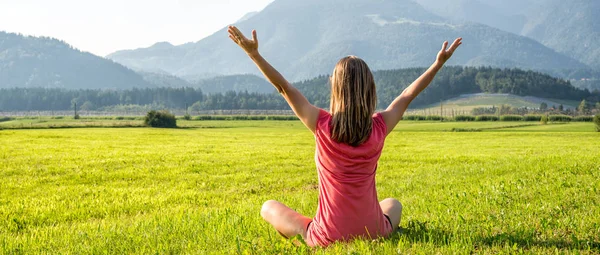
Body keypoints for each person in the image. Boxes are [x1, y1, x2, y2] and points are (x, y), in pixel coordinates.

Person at [228, 26, 462, 247]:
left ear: (335, 88)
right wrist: (437, 64)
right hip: (374, 230)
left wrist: (254, 55)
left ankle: (312, 229)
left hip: (327, 235)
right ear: (370, 89)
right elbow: (407, 95)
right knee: (393, 204)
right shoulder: (379, 127)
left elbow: (284, 87)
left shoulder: (320, 124)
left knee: (268, 207)